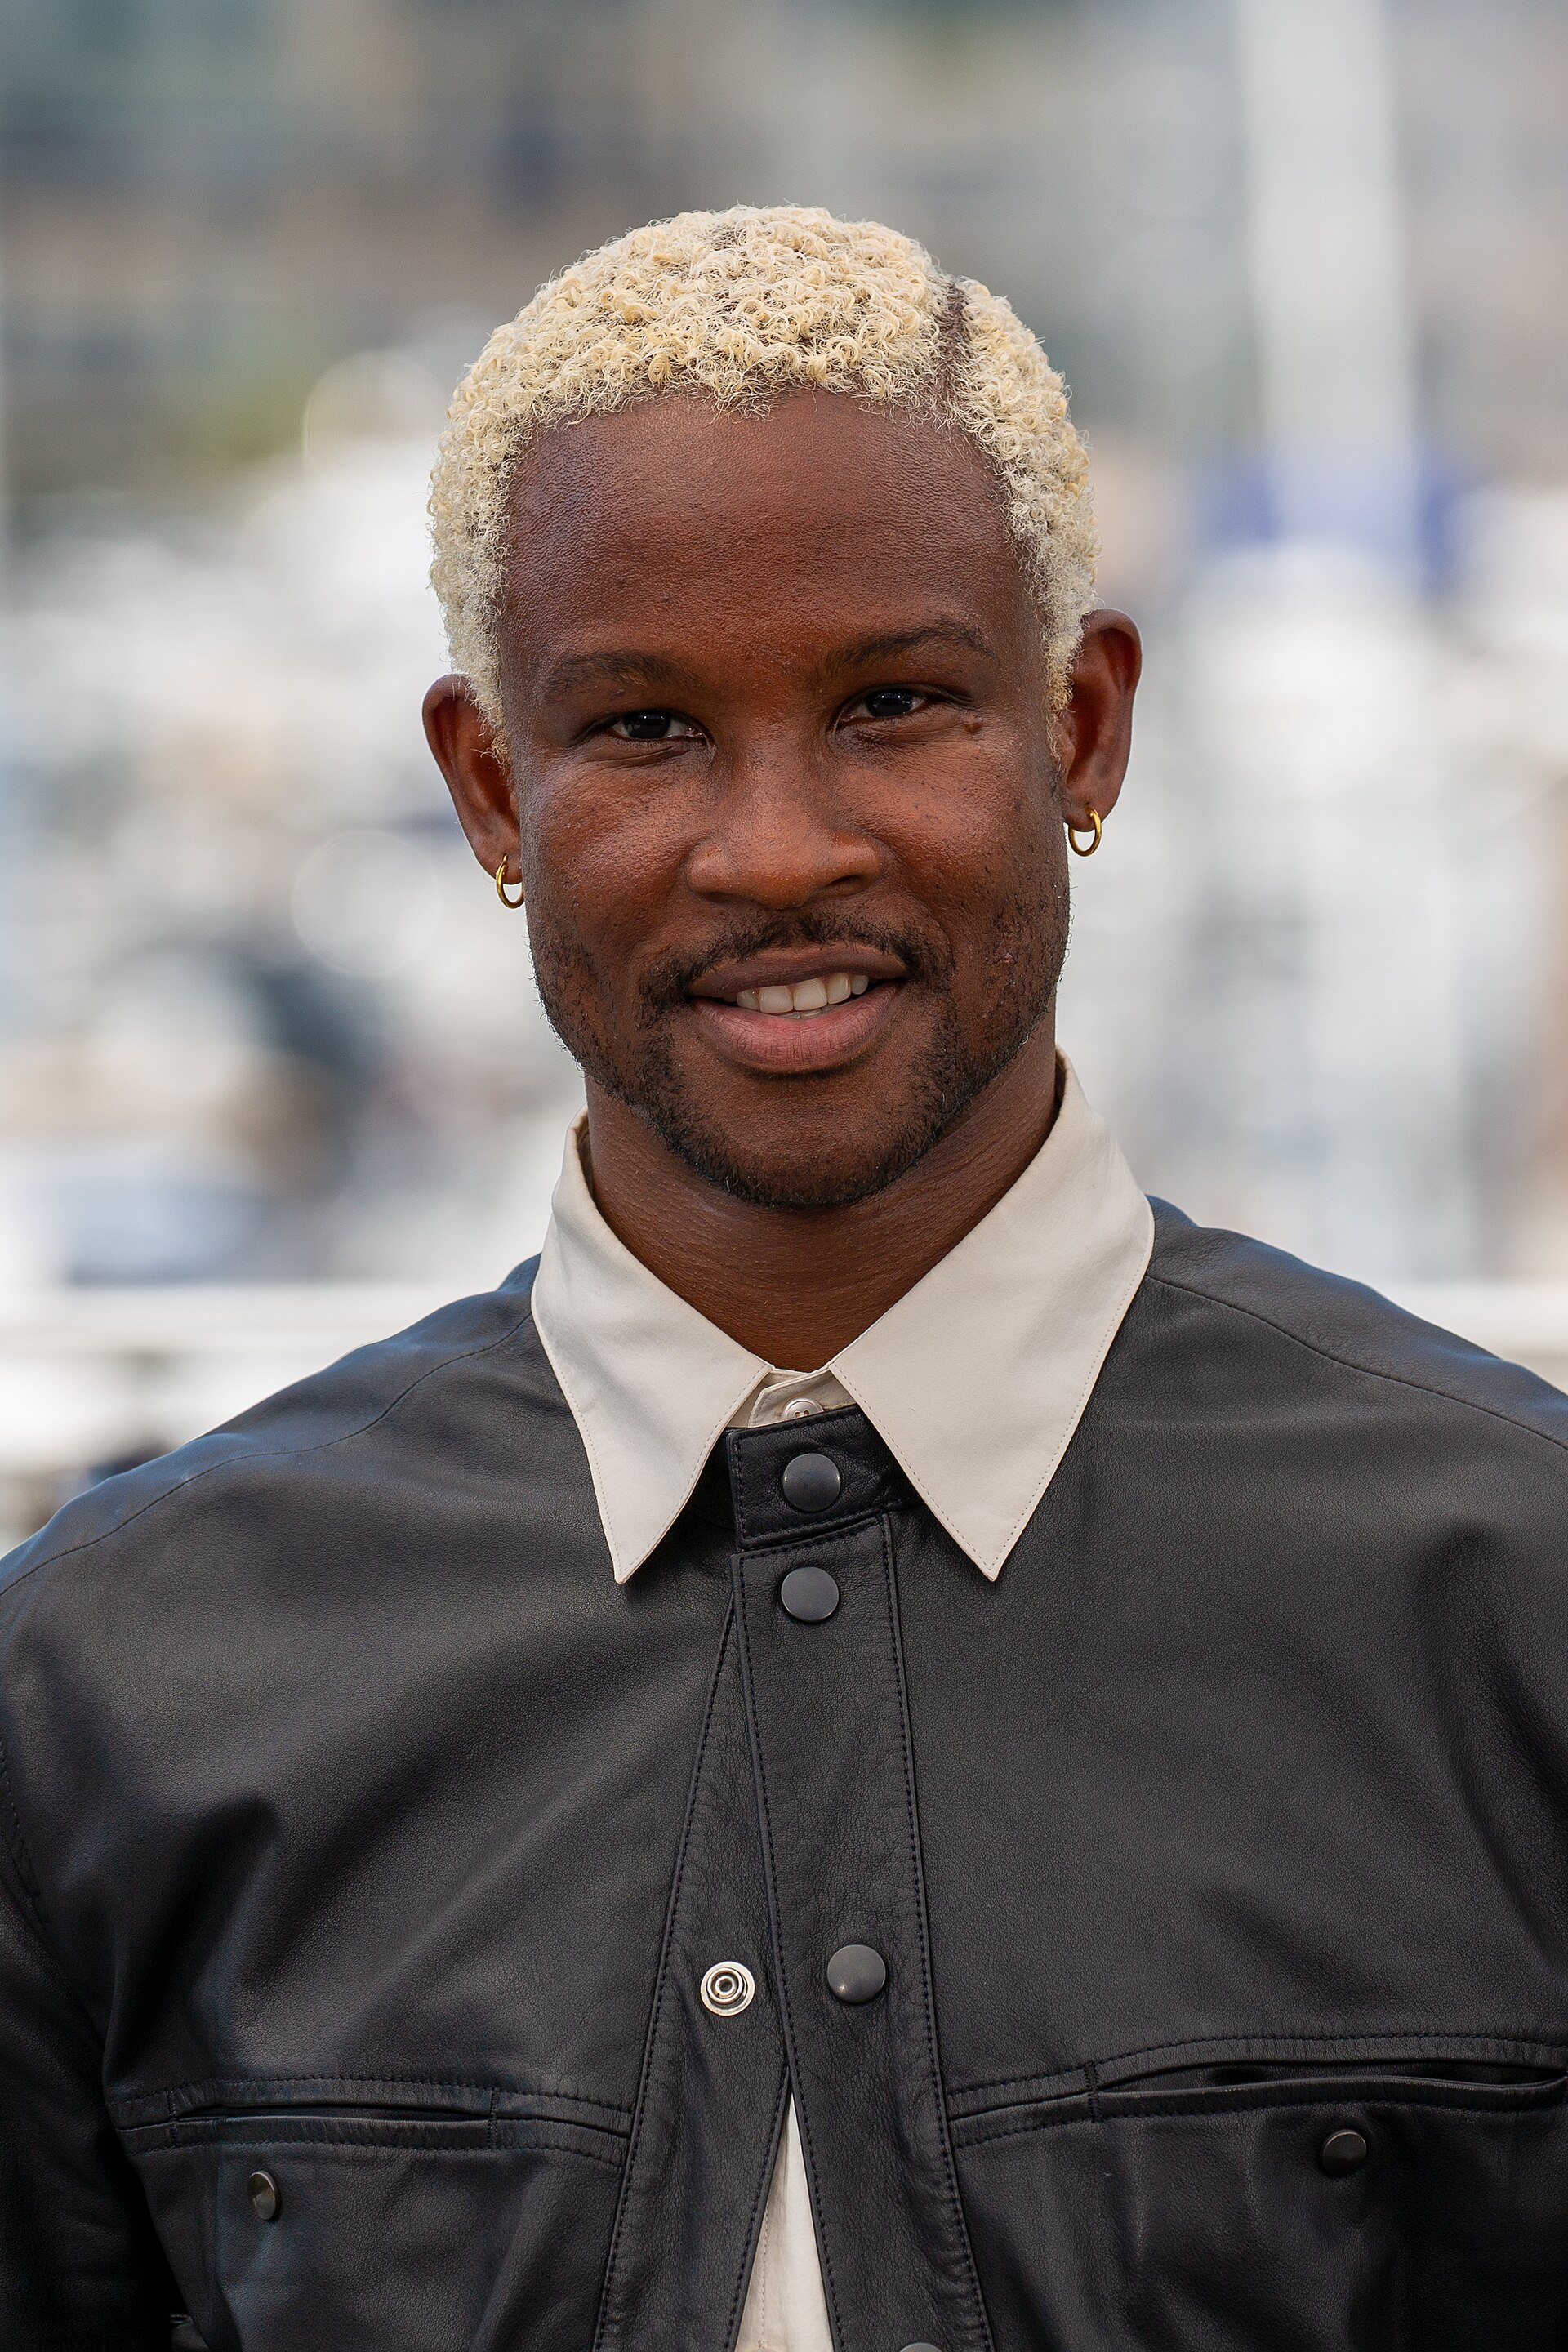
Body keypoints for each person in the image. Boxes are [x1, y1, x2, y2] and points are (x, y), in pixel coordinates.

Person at [3, 204, 1568, 2352]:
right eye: (643, 730)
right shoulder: (114, 1679)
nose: (775, 849)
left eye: (899, 702)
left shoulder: (1517, 1598)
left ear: (1085, 729)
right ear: (489, 790)